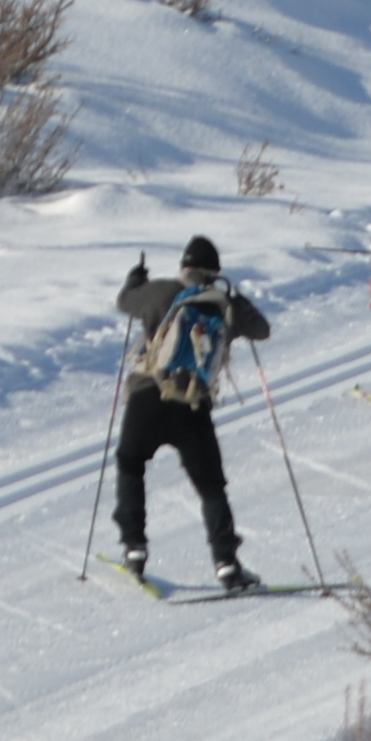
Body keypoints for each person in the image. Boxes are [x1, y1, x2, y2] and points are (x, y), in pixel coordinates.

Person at [114, 235, 271, 587]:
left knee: (130, 462)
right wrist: (235, 299)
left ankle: (134, 547)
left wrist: (134, 280)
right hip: (191, 404)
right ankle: (227, 563)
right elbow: (262, 330)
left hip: (147, 396)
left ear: (183, 267)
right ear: (214, 272)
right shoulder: (221, 304)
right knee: (211, 485)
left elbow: (124, 301)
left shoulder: (158, 292)